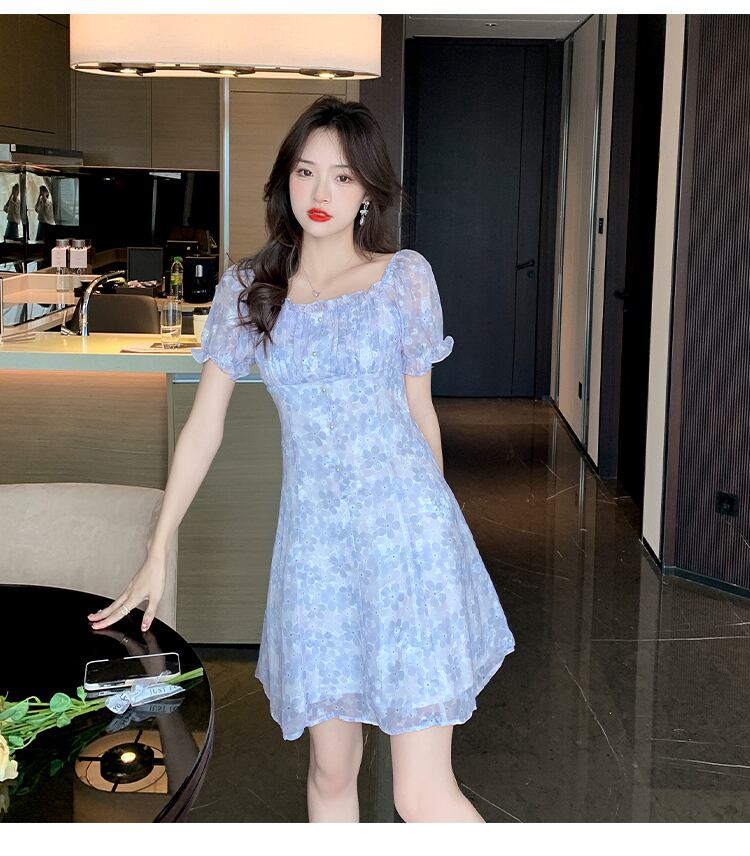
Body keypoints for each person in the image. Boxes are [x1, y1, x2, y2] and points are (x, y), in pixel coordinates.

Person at [87, 96, 515, 823]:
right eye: (306, 171)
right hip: (315, 558)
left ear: (368, 191)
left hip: (407, 542)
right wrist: (158, 548)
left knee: (419, 795)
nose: (321, 192)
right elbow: (204, 427)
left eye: (343, 177)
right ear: (284, 178)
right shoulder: (250, 290)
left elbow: (422, 414)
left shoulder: (403, 279)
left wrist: (441, 537)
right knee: (329, 771)